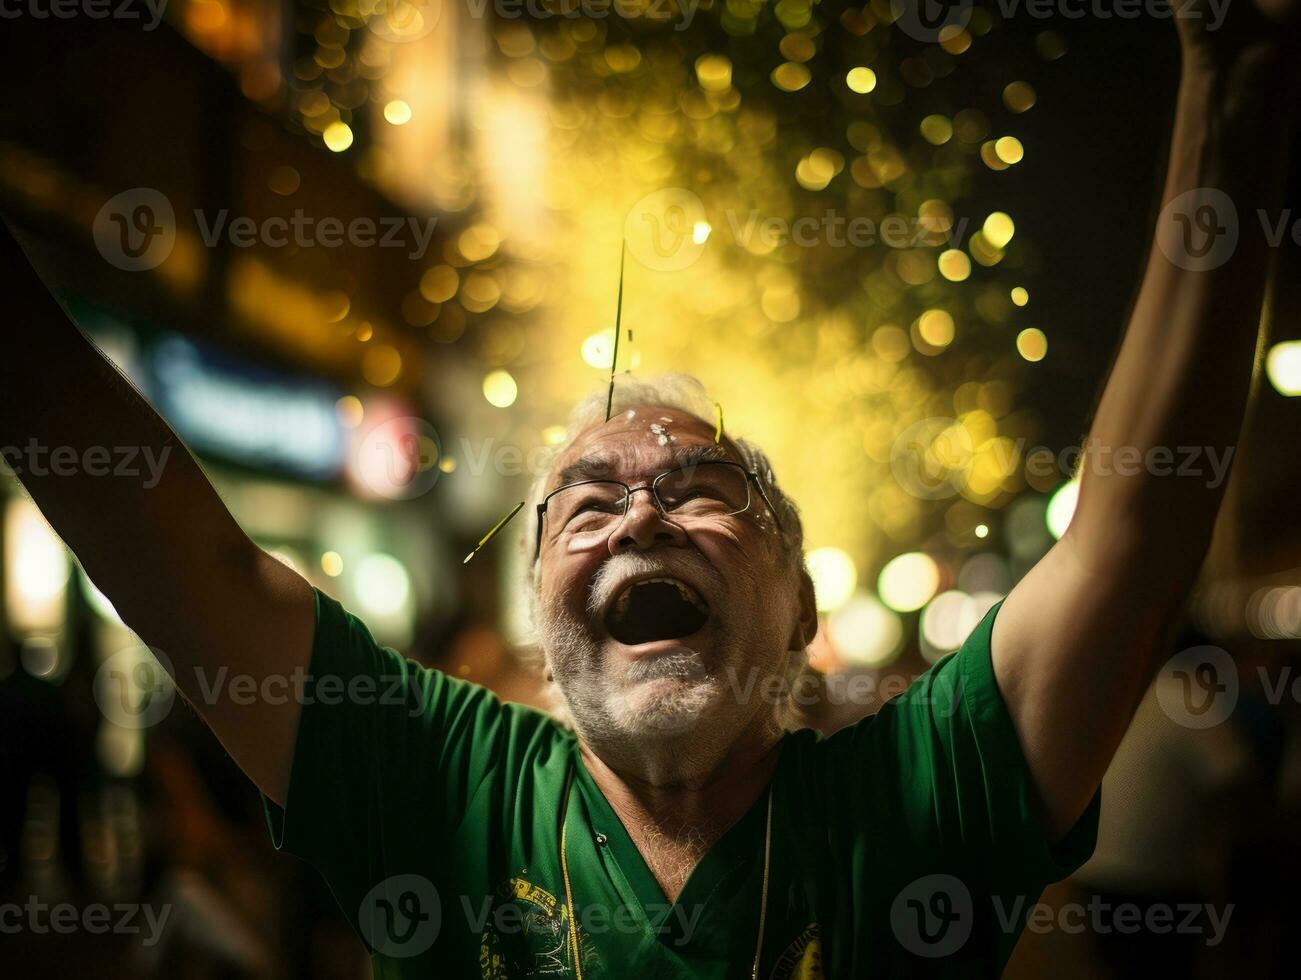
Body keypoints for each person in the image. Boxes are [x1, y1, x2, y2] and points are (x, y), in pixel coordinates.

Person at [3, 5, 1297, 976]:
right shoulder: (445, 786)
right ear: (536, 615)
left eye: (698, 486)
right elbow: (176, 561)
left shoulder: (915, 799)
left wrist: (1227, 95)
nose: (638, 512)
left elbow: (1128, 534)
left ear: (794, 607)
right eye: (581, 501)